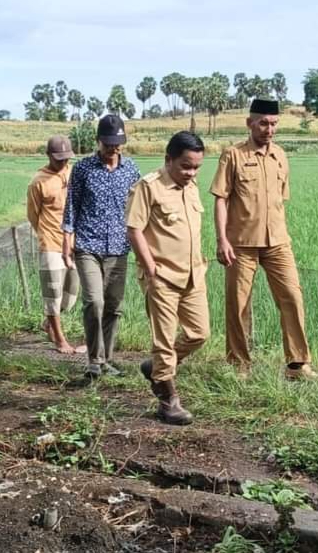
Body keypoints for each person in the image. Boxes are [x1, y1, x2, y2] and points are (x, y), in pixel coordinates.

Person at [209, 99, 316, 379]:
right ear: (250, 123)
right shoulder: (232, 155)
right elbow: (221, 199)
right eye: (263, 123)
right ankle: (239, 365)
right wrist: (222, 239)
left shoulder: (280, 155)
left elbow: (280, 199)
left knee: (292, 296)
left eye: (273, 124)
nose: (269, 129)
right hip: (241, 243)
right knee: (238, 304)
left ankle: (297, 365)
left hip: (278, 242)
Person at [127, 131, 210, 425]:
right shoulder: (148, 187)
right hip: (161, 276)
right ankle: (168, 400)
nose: (191, 172)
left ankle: (158, 368)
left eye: (196, 167)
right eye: (185, 166)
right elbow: (134, 228)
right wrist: (150, 269)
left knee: (199, 334)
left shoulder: (192, 186)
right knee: (163, 342)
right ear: (168, 160)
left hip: (193, 274)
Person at [62, 115, 141, 379]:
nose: (113, 148)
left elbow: (138, 209)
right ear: (98, 141)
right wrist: (67, 239)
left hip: (119, 247)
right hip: (87, 245)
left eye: (117, 143)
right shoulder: (84, 168)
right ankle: (94, 361)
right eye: (108, 143)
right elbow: (71, 204)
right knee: (94, 301)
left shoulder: (131, 170)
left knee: (113, 306)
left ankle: (106, 360)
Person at [26, 135, 84, 354]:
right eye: (58, 159)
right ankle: (60, 340)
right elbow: (33, 215)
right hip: (50, 242)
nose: (62, 163)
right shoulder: (38, 182)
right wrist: (45, 236)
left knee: (70, 294)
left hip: (74, 242)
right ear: (48, 155)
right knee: (52, 293)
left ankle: (48, 323)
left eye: (66, 158)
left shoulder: (74, 173)